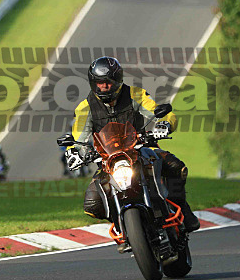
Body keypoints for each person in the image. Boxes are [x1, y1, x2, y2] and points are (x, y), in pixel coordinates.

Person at [65, 56, 201, 237]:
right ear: (93, 83)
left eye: (108, 82)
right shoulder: (85, 108)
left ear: (118, 80)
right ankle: (123, 224)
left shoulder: (135, 94)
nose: (104, 87)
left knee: (176, 167)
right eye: (100, 83)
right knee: (92, 204)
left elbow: (161, 113)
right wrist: (75, 152)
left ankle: (182, 207)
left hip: (140, 149)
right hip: (108, 161)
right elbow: (78, 138)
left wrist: (164, 124)